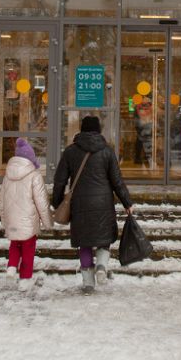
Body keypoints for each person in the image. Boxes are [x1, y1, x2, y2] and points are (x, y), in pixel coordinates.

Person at [52, 116, 133, 292]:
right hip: (103, 203)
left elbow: (59, 181)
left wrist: (57, 202)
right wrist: (127, 202)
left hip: (80, 204)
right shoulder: (107, 151)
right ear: (98, 130)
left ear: (81, 129)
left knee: (85, 242)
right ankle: (102, 266)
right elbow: (117, 181)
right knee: (104, 237)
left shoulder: (70, 151)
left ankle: (88, 283)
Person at [0, 137, 53, 291]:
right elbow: (41, 202)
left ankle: (11, 267)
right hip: (28, 220)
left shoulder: (7, 175)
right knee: (28, 249)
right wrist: (48, 223)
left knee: (15, 245)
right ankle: (24, 279)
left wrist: (4, 221)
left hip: (12, 218)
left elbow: (1, 200)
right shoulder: (35, 175)